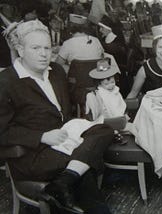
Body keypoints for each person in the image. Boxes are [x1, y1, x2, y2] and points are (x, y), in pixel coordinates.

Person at [0, 20, 113, 213]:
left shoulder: (56, 71)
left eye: (47, 47)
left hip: (65, 138)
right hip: (33, 154)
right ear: (20, 49)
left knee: (105, 129)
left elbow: (72, 91)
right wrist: (41, 137)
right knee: (84, 170)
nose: (44, 54)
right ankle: (71, 183)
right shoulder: (6, 82)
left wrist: (86, 94)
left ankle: (63, 182)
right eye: (36, 48)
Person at [85, 59, 137, 135]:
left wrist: (124, 115)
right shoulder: (100, 94)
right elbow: (103, 112)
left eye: (112, 82)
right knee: (133, 128)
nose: (111, 85)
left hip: (120, 119)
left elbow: (119, 103)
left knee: (137, 126)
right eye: (106, 84)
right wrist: (117, 121)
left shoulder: (115, 90)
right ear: (99, 84)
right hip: (110, 122)